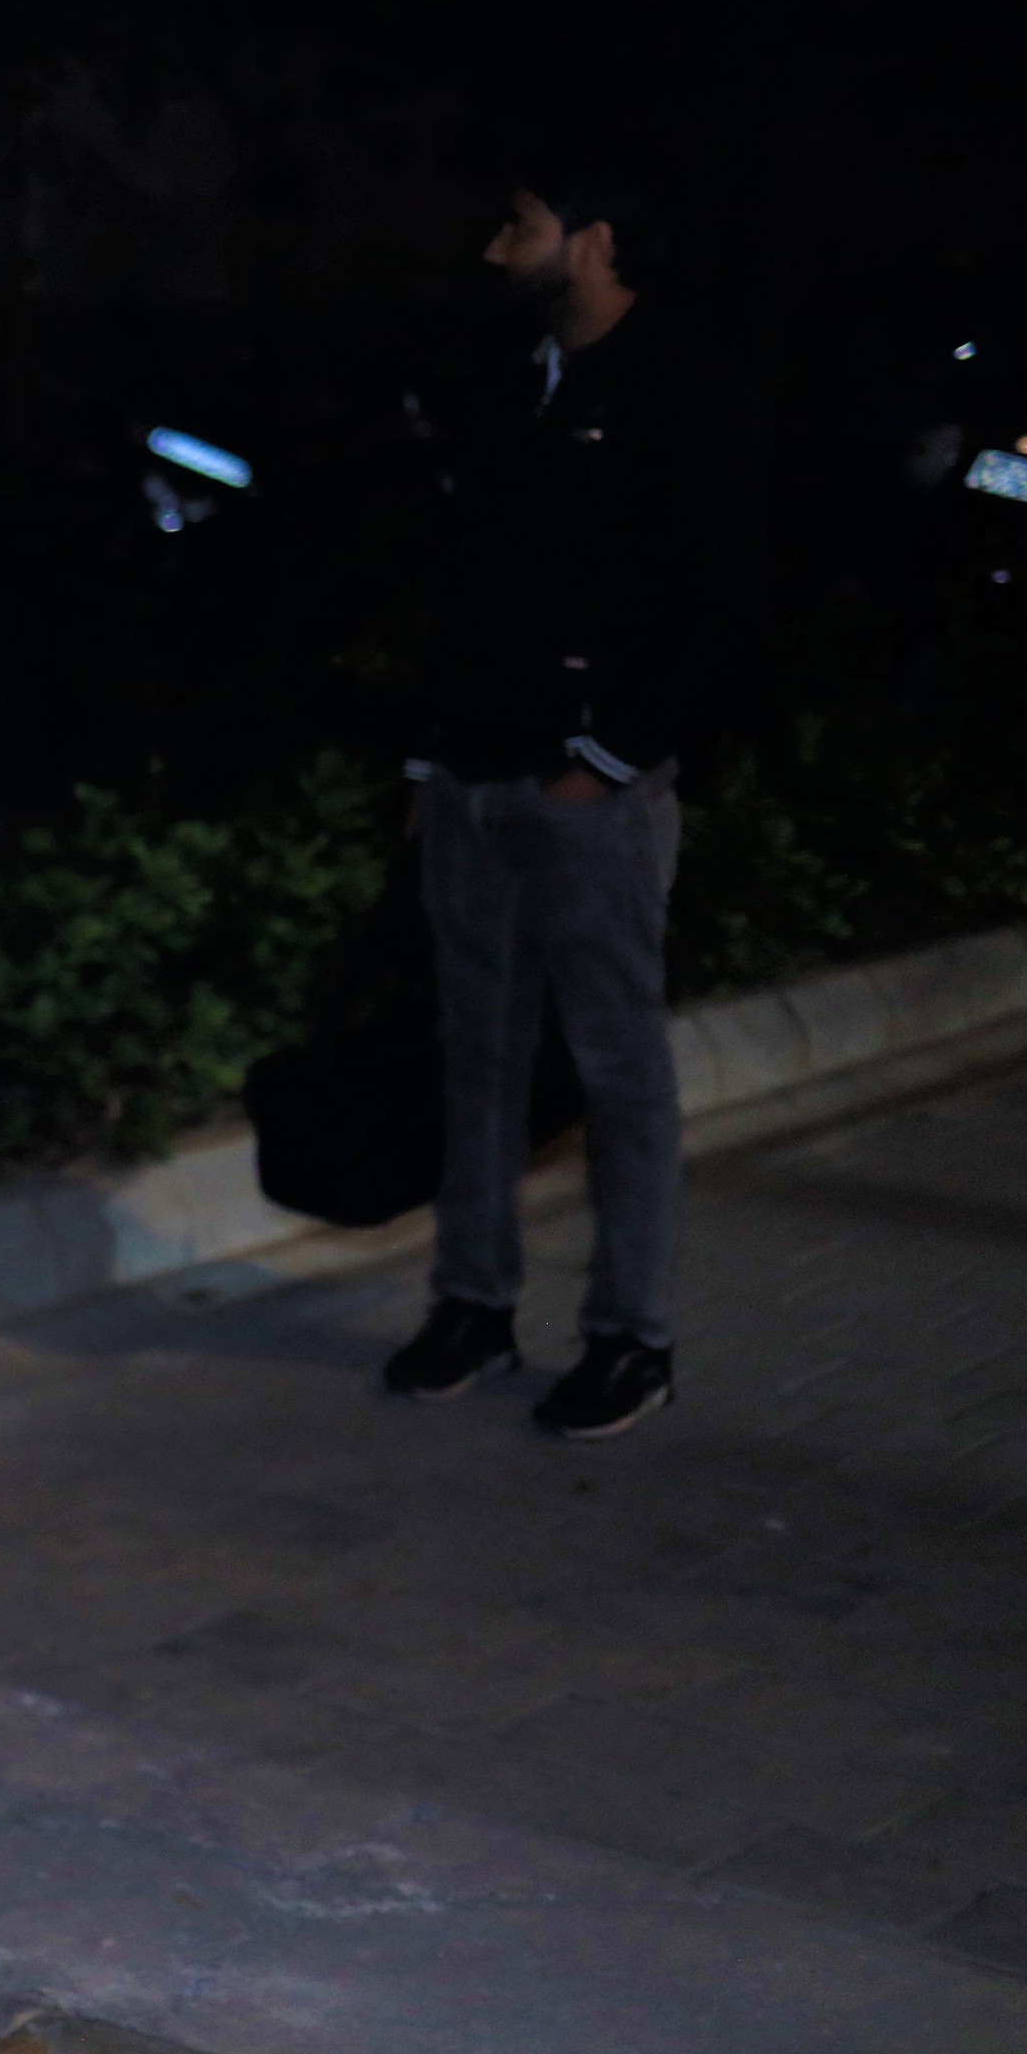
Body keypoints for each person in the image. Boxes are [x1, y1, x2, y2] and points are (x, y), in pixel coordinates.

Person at [379, 166, 749, 1439]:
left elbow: (721, 608)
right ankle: (473, 1304)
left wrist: (607, 756)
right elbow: (461, 586)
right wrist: (427, 763)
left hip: (589, 793)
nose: (497, 251)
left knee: (616, 1067)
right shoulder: (511, 388)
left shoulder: (681, 390)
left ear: (592, 241)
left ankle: (631, 1337)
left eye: (520, 228)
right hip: (473, 781)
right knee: (476, 1056)